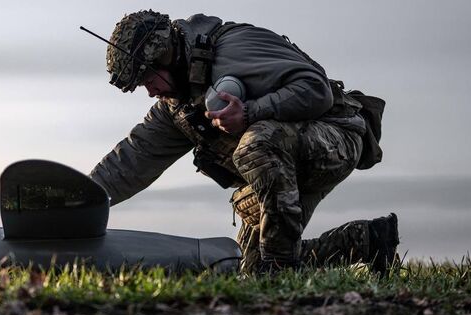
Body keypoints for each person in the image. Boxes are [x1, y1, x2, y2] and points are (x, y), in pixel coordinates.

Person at [88, 10, 399, 275]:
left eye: (147, 80)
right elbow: (131, 160)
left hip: (335, 137)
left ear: (163, 57)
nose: (150, 91)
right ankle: (367, 241)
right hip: (280, 164)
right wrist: (75, 199)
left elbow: (317, 90)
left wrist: (250, 112)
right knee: (252, 271)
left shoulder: (236, 49)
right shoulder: (176, 107)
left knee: (256, 145)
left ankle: (281, 268)